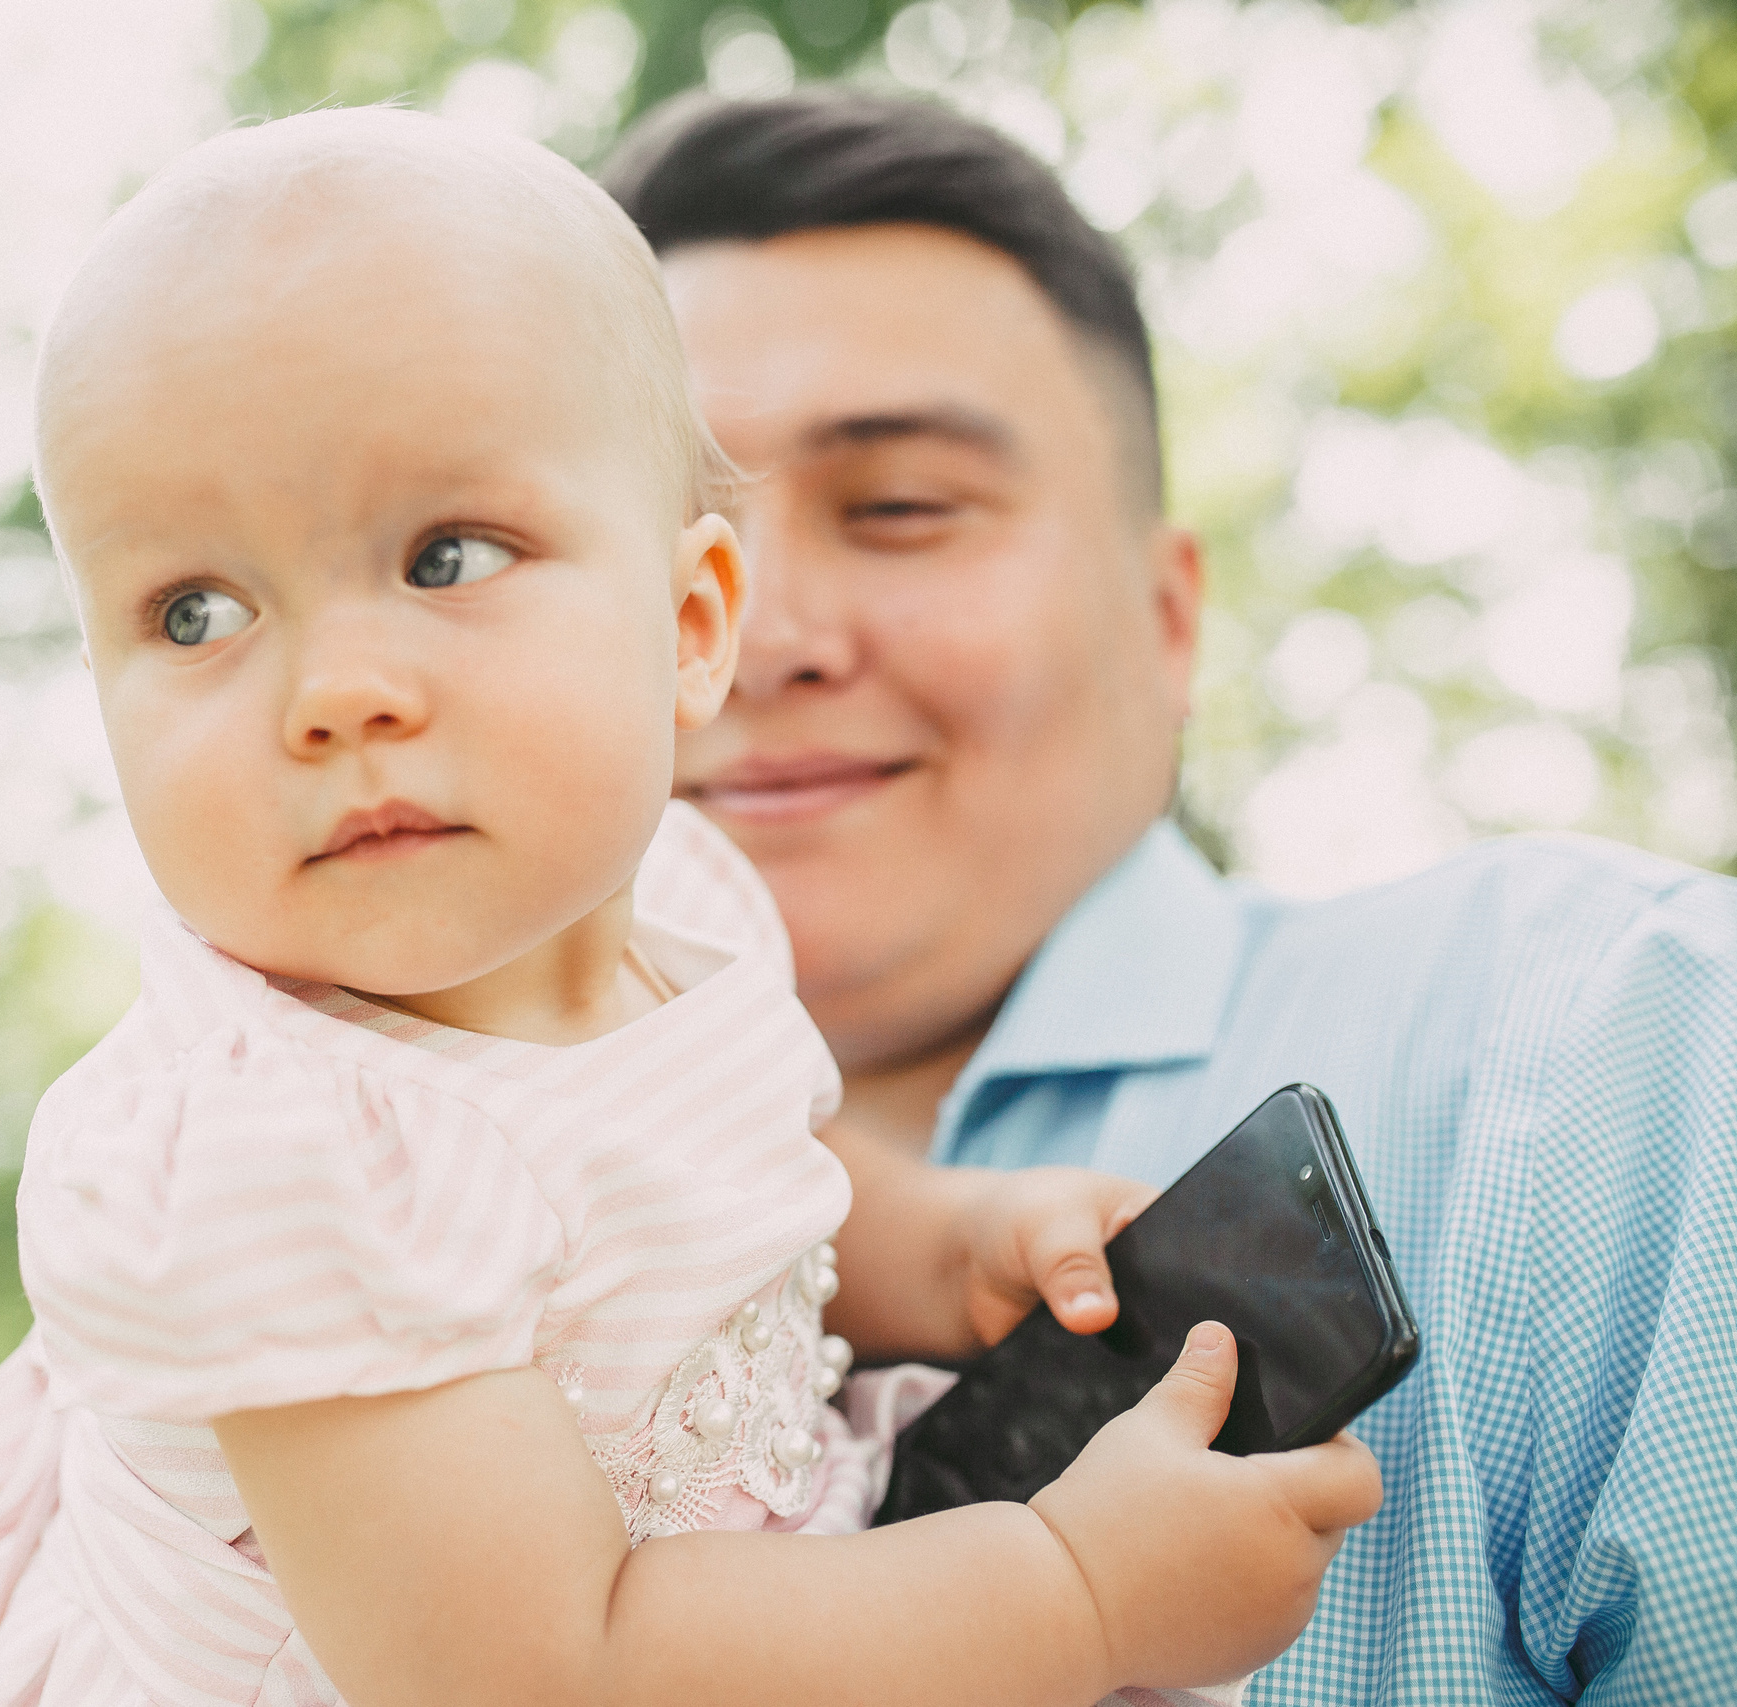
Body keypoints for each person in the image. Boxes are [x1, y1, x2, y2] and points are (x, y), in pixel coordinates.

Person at [0, 107, 1383, 1707]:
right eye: (193, 610)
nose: (334, 693)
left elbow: (753, 1156)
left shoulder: (688, 903)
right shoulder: (282, 1157)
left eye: (444, 556)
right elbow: (559, 1665)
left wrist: (956, 1245)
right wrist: (1074, 1594)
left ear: (692, 623)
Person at [602, 90, 1737, 1705]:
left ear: (1169, 619)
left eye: (904, 506)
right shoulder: (353, 1199)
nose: (759, 634)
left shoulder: (1608, 1049)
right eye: (664, 542)